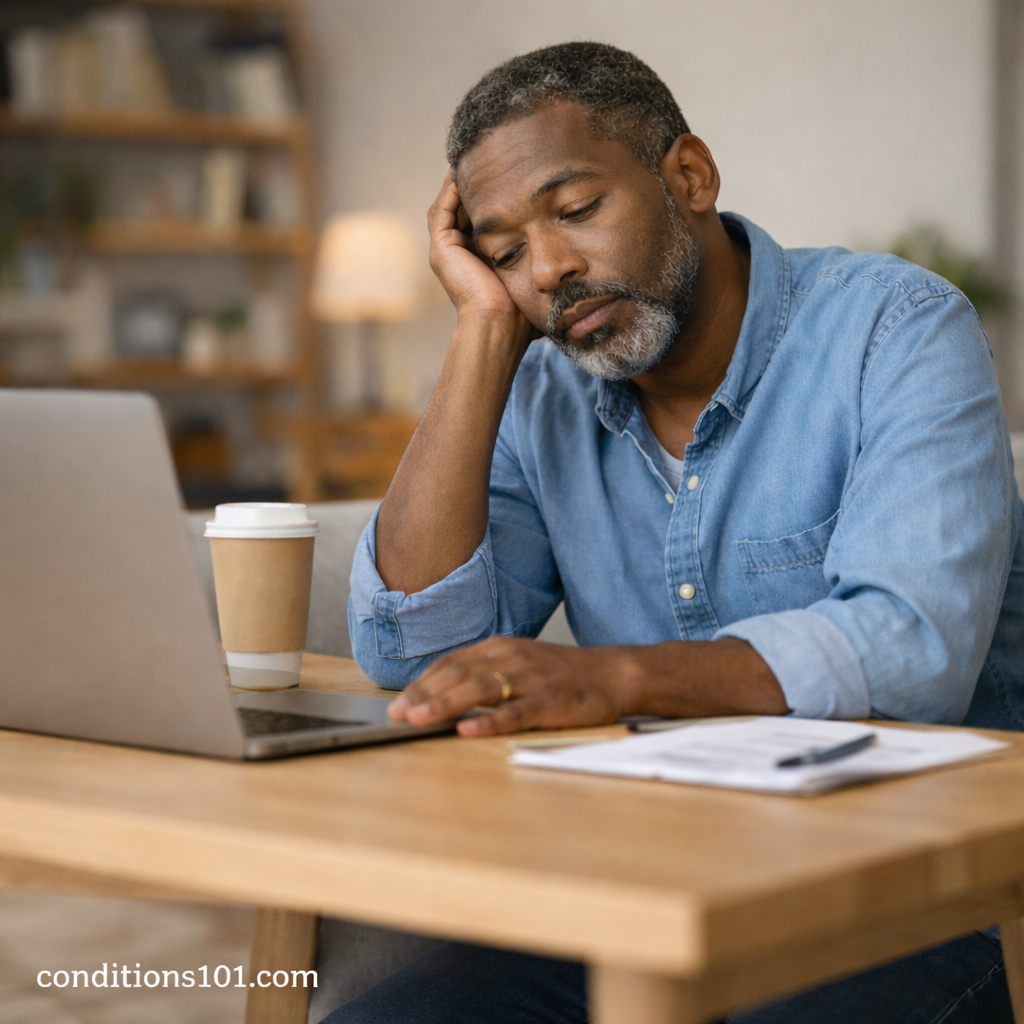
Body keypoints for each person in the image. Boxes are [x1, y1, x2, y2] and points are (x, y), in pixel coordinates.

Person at [328, 42, 1023, 1024]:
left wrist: (615, 677)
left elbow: (913, 650)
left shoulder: (894, 328)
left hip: (914, 897)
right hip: (642, 891)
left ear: (686, 177)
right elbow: (411, 651)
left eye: (575, 211)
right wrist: (481, 332)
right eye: (505, 250)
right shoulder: (537, 391)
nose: (552, 269)